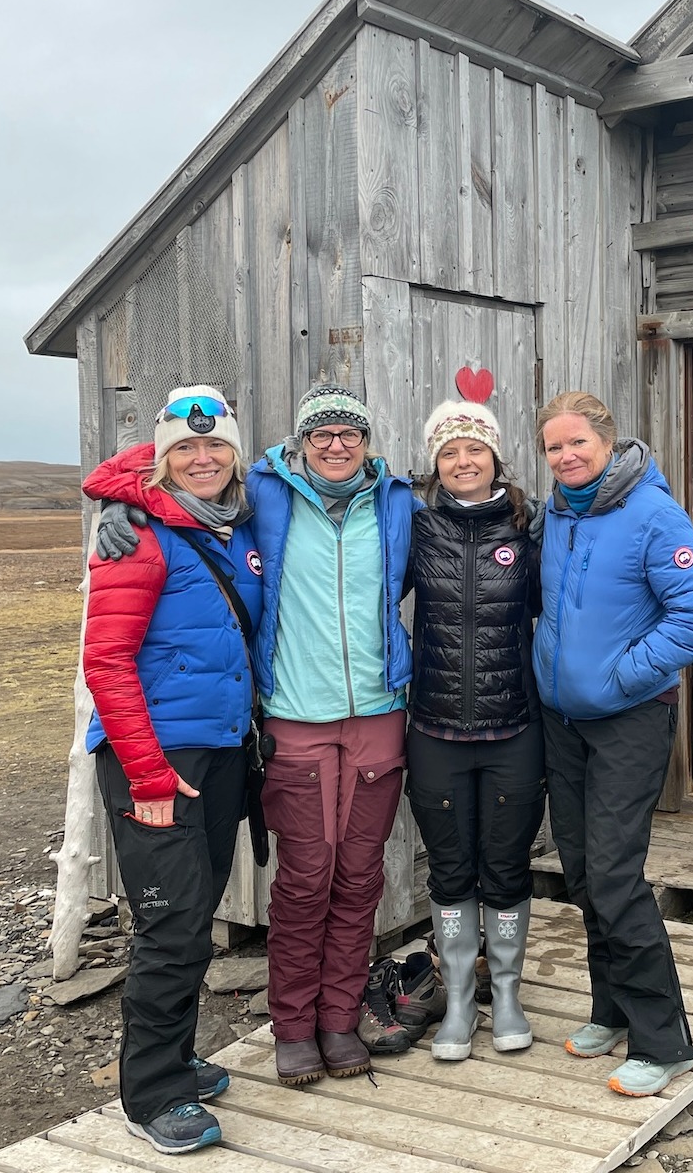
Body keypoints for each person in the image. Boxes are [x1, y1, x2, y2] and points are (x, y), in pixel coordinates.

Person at [81, 385, 260, 1155]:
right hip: (153, 759)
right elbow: (107, 661)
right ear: (161, 456)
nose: (202, 459)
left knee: (194, 914)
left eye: (215, 445)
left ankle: (176, 1059)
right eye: (184, 448)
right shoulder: (136, 536)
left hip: (218, 751)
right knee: (171, 924)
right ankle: (150, 1094)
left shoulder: (225, 528)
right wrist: (147, 775)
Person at [533, 390, 693, 1097]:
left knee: (614, 875)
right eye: (554, 446)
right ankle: (609, 1010)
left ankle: (663, 1041)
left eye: (577, 442)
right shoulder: (554, 513)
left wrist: (621, 677)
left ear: (608, 442)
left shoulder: (652, 514)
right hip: (563, 721)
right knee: (581, 871)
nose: (566, 455)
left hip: (629, 719)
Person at [243, 383, 419, 1082]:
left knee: (359, 874)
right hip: (295, 709)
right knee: (306, 876)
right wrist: (120, 509)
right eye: (322, 434)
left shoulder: (397, 500)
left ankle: (340, 1020)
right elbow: (172, 479)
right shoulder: (263, 492)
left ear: (367, 440)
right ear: (301, 441)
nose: (337, 445)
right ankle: (292, 1025)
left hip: (378, 711)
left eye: (350, 433)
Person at [403, 401, 544, 1061]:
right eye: (450, 452)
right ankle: (460, 1000)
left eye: (474, 450)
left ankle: (508, 993)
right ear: (436, 463)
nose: (463, 462)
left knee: (507, 867)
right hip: (434, 729)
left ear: (495, 457)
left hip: (513, 726)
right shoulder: (416, 526)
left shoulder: (530, 526)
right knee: (452, 871)